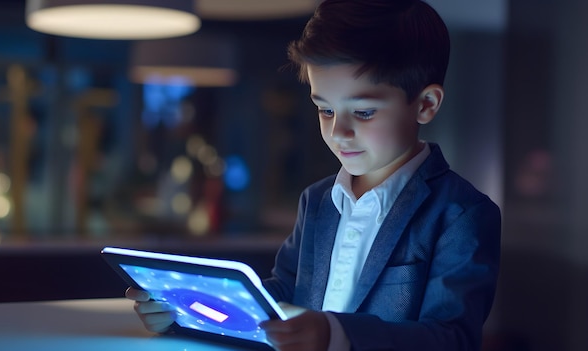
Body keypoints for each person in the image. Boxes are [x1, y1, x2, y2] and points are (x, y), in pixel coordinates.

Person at [126, 0, 502, 350]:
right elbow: (286, 292)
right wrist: (187, 310)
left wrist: (335, 334)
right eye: (325, 110)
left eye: (364, 112)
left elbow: (452, 338)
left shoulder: (461, 214)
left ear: (425, 104)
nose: (338, 132)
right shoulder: (318, 200)